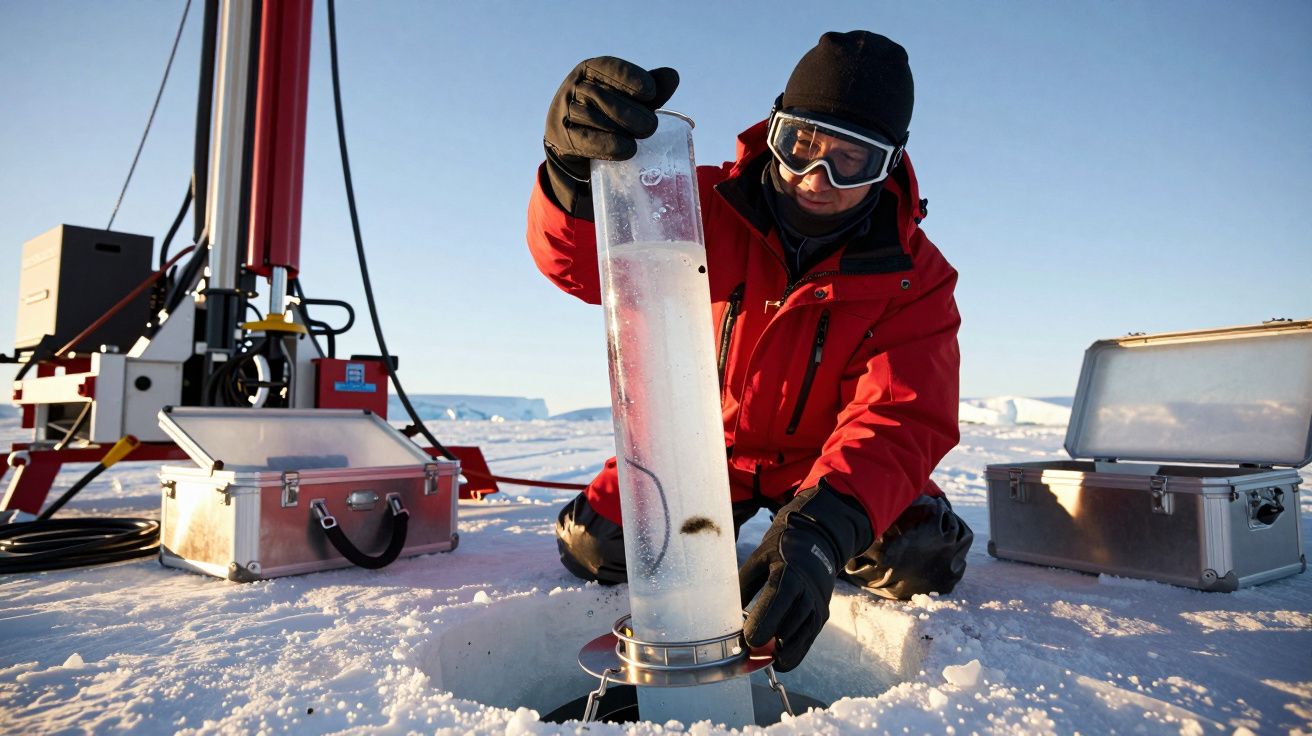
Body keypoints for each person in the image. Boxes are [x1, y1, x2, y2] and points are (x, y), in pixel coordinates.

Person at [527, 30, 972, 672]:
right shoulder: (693, 203)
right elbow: (578, 266)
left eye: (852, 160)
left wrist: (821, 530)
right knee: (595, 548)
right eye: (802, 145)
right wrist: (570, 177)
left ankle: (837, 526)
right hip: (702, 458)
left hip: (820, 469)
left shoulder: (918, 278)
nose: (816, 177)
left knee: (916, 562)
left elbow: (900, 416)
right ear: (775, 128)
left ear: (891, 165)